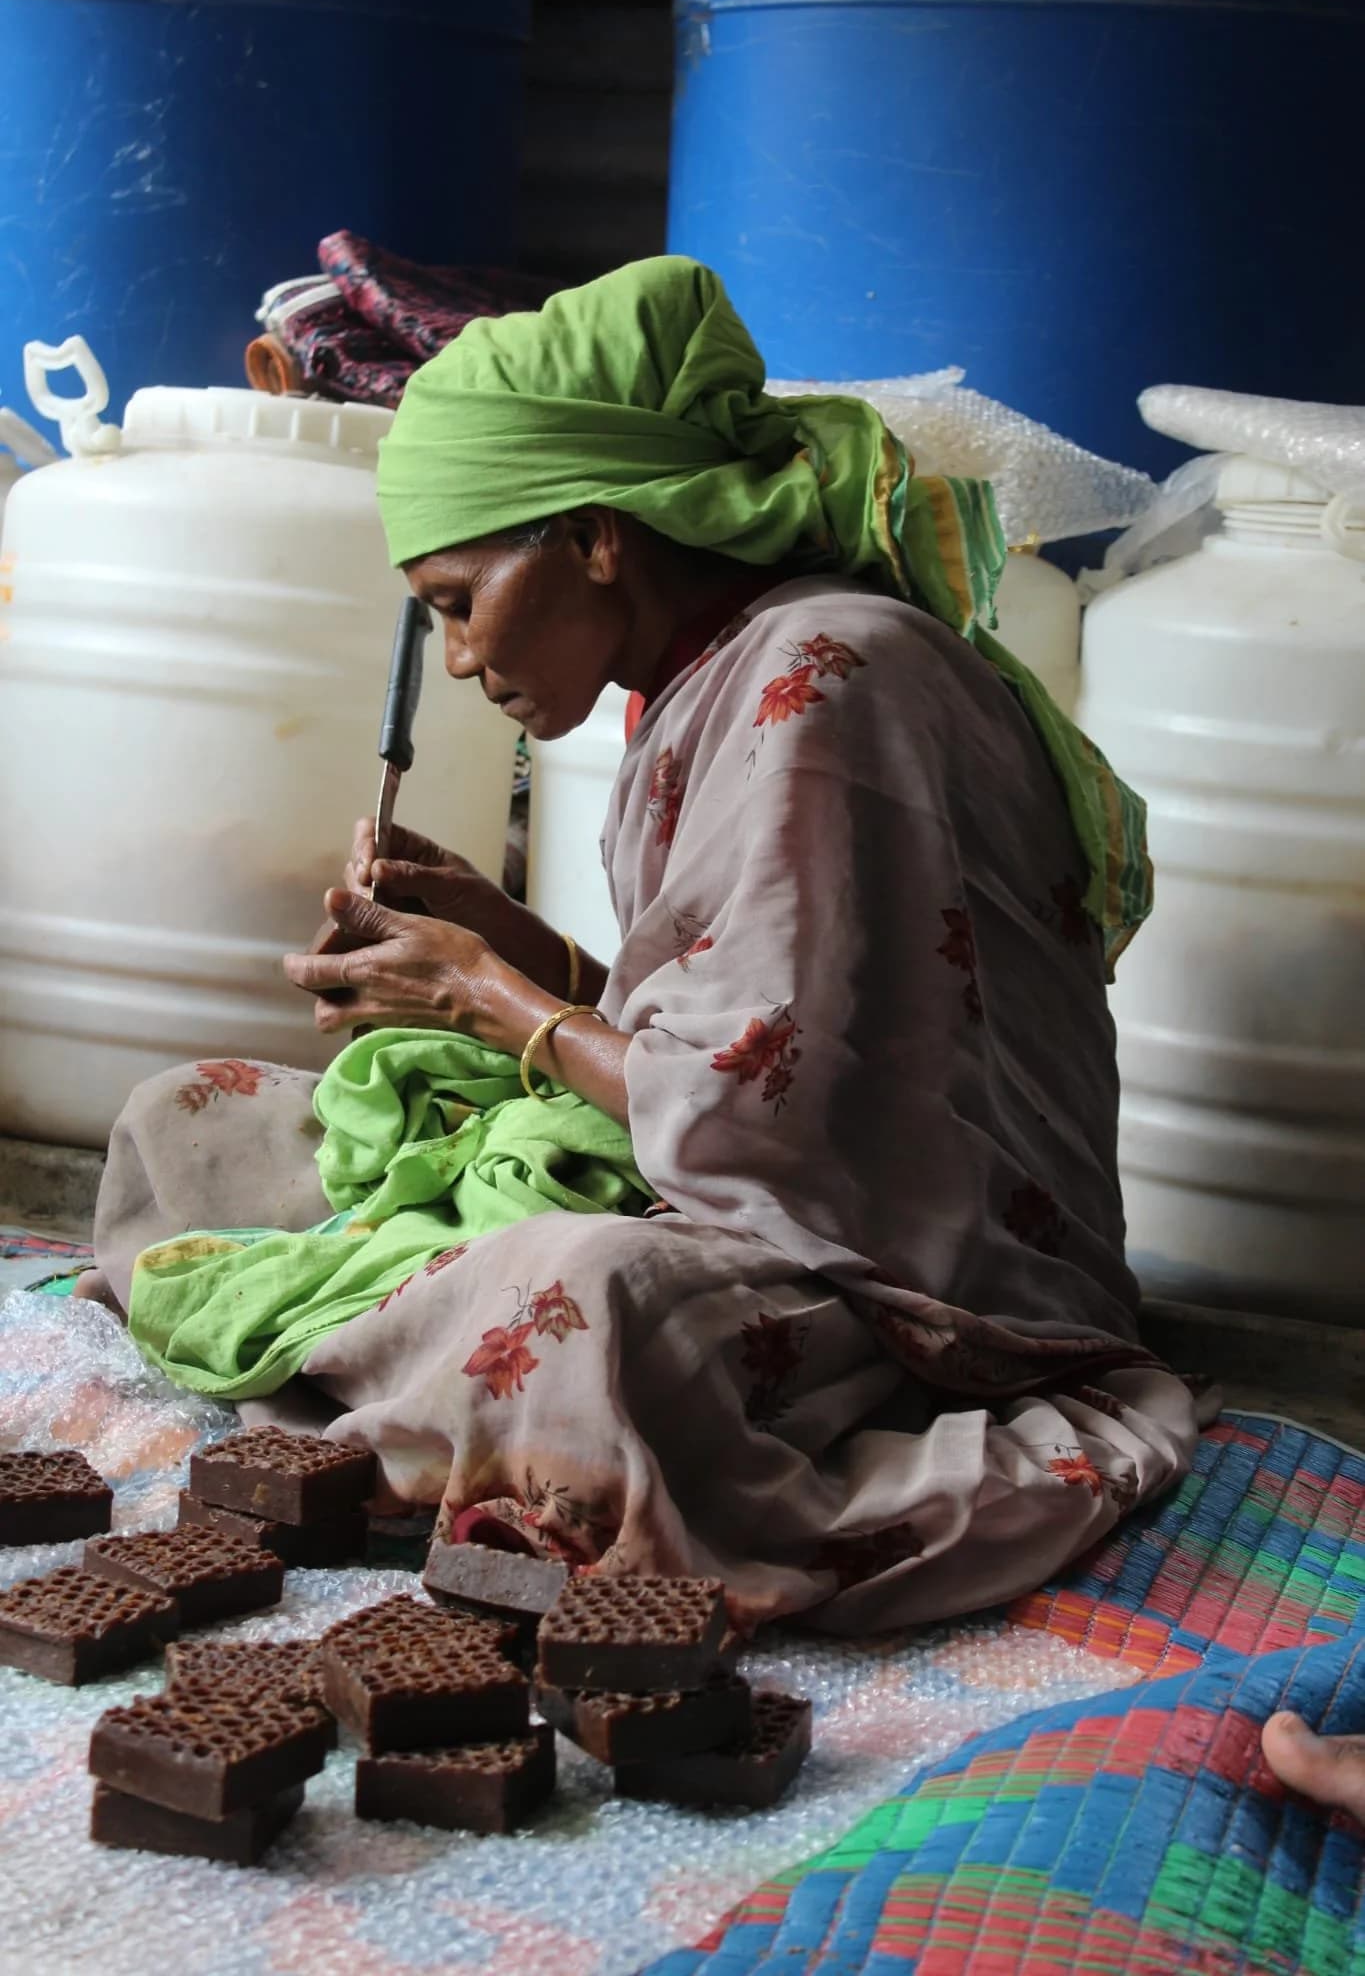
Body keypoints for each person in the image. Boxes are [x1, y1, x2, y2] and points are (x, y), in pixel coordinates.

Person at [82, 257, 1204, 1633]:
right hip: (732, 1176)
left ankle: (435, 1386)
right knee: (187, 1116)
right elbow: (738, 1019)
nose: (451, 659)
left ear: (596, 537)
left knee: (586, 1300)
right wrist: (515, 950)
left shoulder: (825, 680)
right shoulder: (707, 677)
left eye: (456, 599)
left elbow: (762, 1114)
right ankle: (420, 1369)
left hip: (904, 1277)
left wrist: (482, 996)